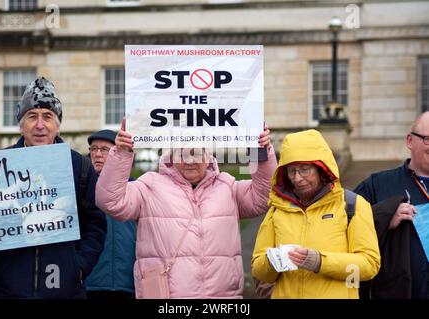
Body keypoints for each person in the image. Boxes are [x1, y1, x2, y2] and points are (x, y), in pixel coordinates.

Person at [95, 118, 277, 298]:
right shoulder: (150, 185)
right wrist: (122, 152)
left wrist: (259, 150)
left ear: (208, 155)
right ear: (172, 156)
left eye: (196, 153)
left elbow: (263, 197)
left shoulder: (227, 186)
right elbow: (111, 201)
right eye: (182, 154)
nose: (190, 160)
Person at [0, 77, 107, 299]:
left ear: (57, 124)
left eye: (48, 116)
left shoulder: (79, 166)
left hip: (64, 288)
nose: (40, 125)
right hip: (8, 289)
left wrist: (78, 267)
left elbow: (95, 224)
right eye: (32, 116)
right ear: (21, 125)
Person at [251, 129, 380, 299]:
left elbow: (369, 266)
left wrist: (320, 262)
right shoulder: (276, 209)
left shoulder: (353, 205)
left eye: (304, 169)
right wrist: (274, 261)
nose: (297, 178)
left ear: (321, 169)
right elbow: (259, 271)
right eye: (291, 171)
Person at [354, 111, 429, 299]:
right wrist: (384, 216)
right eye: (428, 139)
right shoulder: (377, 184)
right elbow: (343, 227)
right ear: (410, 141)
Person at [85, 129, 137, 300]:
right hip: (90, 282)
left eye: (104, 149)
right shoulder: (80, 188)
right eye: (94, 149)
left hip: (128, 283)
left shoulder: (135, 188)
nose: (97, 154)